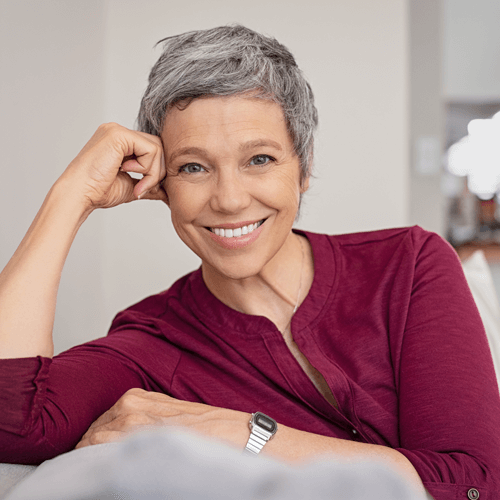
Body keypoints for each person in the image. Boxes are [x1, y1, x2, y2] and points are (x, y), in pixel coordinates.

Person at [0, 25, 498, 500]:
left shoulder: (408, 265)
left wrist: (246, 433)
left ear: (302, 170)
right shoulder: (152, 341)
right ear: (160, 186)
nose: (231, 200)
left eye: (259, 159)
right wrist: (71, 196)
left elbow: (476, 485)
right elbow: (13, 423)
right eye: (193, 167)